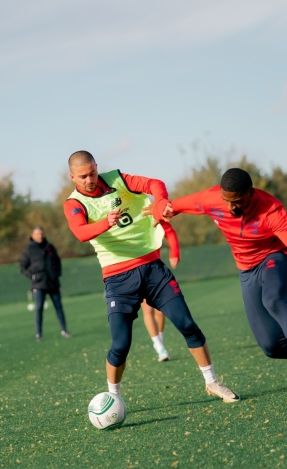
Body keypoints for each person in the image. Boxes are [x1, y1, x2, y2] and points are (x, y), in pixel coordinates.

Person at [154, 168, 287, 397]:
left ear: (251, 193)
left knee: (273, 300)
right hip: (246, 270)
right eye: (227, 201)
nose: (231, 207)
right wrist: (160, 209)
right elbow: (173, 206)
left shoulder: (272, 211)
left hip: (276, 259)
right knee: (272, 346)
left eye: (238, 201)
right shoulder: (212, 199)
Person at [63, 150, 239, 402]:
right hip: (118, 277)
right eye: (83, 176)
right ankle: (114, 397)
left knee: (187, 325)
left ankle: (211, 381)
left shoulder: (118, 180)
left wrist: (159, 203)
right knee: (120, 345)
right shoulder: (74, 203)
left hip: (153, 268)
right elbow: (80, 232)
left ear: (97, 167)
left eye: (92, 172)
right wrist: (106, 223)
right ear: (72, 177)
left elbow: (154, 184)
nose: (89, 179)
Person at [19, 226, 71, 341]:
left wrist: (57, 273)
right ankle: (39, 334)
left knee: (59, 307)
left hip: (53, 282)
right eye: (37, 234)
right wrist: (32, 276)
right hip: (39, 284)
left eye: (41, 234)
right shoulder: (29, 249)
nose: (40, 236)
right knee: (39, 308)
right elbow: (22, 266)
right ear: (32, 236)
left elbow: (57, 261)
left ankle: (64, 331)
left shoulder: (50, 247)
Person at [141, 221, 180, 362]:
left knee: (160, 309)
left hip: (156, 269)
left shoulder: (152, 218)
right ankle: (159, 346)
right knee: (148, 309)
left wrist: (174, 252)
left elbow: (169, 231)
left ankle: (160, 340)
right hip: (138, 270)